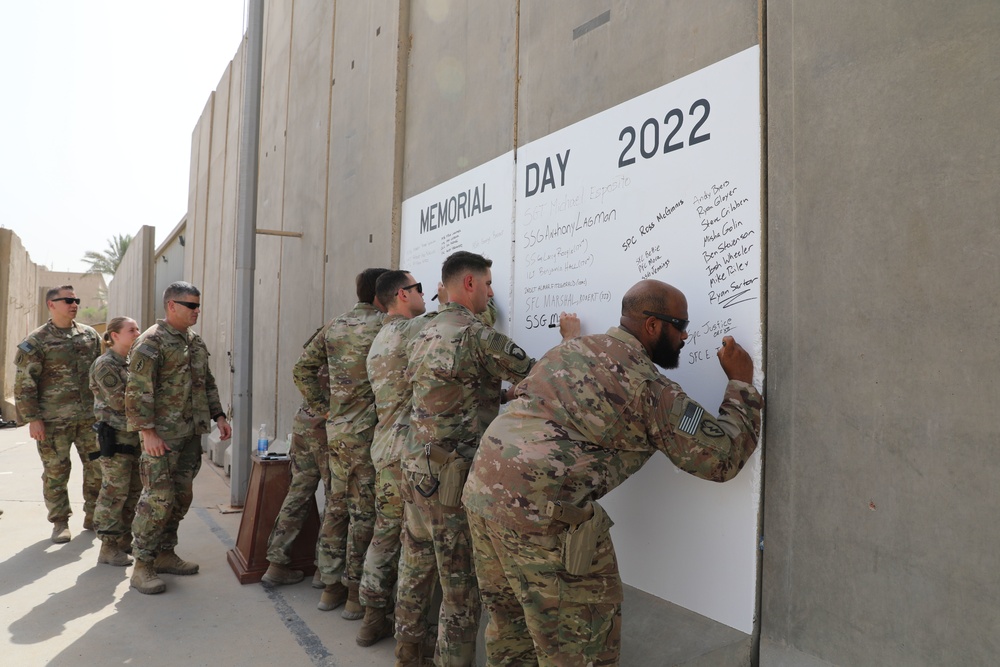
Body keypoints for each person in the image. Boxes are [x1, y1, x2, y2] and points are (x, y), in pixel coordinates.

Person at [463, 279, 764, 666]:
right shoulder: (649, 388)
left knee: (512, 634)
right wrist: (740, 383)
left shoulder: (567, 351)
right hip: (539, 517)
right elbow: (723, 457)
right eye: (680, 325)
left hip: (483, 495)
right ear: (653, 325)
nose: (686, 334)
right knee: (580, 648)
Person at [396, 251, 578, 667]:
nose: (492, 291)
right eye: (489, 283)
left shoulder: (419, 331)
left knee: (415, 566)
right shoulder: (478, 335)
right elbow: (544, 380)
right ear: (470, 284)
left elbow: (442, 389)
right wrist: (569, 341)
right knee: (459, 593)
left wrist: (497, 395)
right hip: (449, 478)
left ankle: (407, 656)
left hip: (415, 466)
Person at [125, 282, 231, 595]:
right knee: (157, 499)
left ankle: (165, 553)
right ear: (172, 306)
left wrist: (219, 416)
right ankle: (142, 565)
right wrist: (147, 432)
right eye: (191, 306)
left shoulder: (194, 342)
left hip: (189, 434)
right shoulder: (151, 342)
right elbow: (136, 391)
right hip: (162, 436)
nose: (197, 311)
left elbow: (206, 383)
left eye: (198, 305)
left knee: (181, 498)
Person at [294, 268, 388, 618]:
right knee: (363, 514)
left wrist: (327, 409)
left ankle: (330, 586)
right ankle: (353, 594)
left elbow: (301, 369)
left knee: (335, 506)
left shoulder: (335, 324)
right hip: (367, 436)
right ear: (383, 293)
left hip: (337, 433)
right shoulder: (385, 326)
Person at [355, 270, 428, 648]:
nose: (424, 295)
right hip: (409, 454)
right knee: (414, 542)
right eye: (419, 289)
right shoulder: (412, 332)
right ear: (403, 295)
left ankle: (371, 618)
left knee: (384, 536)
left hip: (385, 449)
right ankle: (411, 633)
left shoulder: (381, 336)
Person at [14, 285, 102, 543]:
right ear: (51, 304)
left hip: (89, 419)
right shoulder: (36, 341)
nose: (74, 304)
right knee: (56, 472)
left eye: (76, 299)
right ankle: (60, 521)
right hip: (52, 421)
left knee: (97, 468)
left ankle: (94, 515)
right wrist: (33, 419)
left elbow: (99, 374)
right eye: (68, 300)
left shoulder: (89, 336)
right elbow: (24, 383)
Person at [261, 326, 332, 586]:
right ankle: (324, 572)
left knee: (298, 495)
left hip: (304, 424)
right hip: (327, 429)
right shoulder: (349, 341)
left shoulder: (320, 341)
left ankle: (276, 564)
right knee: (336, 500)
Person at [90, 316, 143, 566]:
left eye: (137, 329)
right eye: (131, 329)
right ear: (114, 336)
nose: (137, 332)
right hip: (116, 437)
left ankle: (123, 540)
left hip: (134, 436)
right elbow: (120, 401)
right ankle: (108, 546)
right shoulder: (105, 364)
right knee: (113, 492)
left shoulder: (132, 362)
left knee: (133, 491)